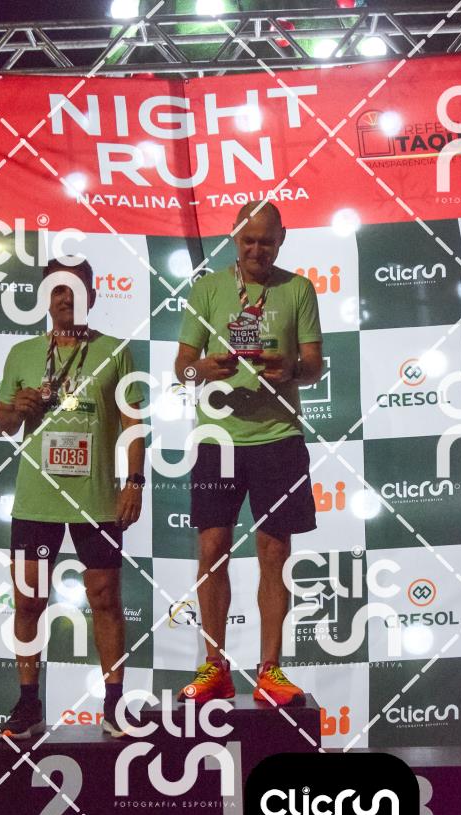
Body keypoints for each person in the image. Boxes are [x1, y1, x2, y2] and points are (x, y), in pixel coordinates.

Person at [174, 201, 323, 706]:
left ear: (282, 239)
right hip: (218, 440)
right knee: (212, 549)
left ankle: (270, 669)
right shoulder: (208, 288)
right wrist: (203, 370)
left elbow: (315, 366)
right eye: (248, 240)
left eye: (266, 241)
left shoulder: (298, 288)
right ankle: (214, 667)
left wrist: (291, 370)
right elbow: (182, 368)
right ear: (234, 238)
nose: (257, 249)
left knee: (274, 554)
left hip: (279, 437)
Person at [0, 258, 145, 738]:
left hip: (95, 500)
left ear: (91, 297)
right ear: (46, 298)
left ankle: (114, 705)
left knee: (106, 600)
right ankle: (27, 703)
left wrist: (134, 482)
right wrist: (16, 409)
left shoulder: (115, 351)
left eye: (76, 289)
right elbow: (0, 423)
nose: (66, 298)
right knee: (28, 601)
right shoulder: (21, 354)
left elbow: (133, 424)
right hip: (37, 500)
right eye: (57, 289)